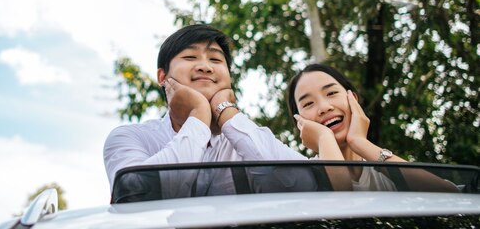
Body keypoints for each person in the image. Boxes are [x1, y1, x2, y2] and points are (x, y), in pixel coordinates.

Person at [103, 25, 342, 200]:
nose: (205, 66)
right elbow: (136, 193)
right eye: (189, 57)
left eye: (216, 60)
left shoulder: (246, 137)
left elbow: (305, 185)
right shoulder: (129, 138)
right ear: (163, 77)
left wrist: (226, 112)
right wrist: (198, 115)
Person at [288, 63, 458, 192]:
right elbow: (343, 207)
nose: (324, 107)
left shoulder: (386, 172)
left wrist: (359, 142)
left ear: (352, 99)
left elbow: (449, 196)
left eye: (331, 93)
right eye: (308, 103)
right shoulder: (301, 178)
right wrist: (324, 138)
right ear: (300, 122)